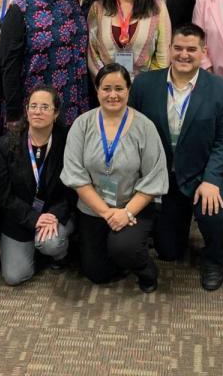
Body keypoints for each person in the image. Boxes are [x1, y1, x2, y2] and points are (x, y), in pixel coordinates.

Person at [129, 24, 223, 290]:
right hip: (164, 177)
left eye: (191, 49)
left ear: (203, 51)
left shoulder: (222, 91)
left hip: (204, 175)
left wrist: (212, 179)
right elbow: (132, 132)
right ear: (170, 49)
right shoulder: (145, 84)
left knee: (214, 214)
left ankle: (213, 258)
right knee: (168, 251)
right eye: (178, 48)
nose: (184, 54)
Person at [61, 63, 169, 291]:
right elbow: (76, 176)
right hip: (94, 209)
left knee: (125, 248)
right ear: (97, 90)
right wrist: (108, 213)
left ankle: (145, 269)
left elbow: (154, 178)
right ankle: (118, 253)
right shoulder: (82, 125)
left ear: (129, 91)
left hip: (133, 207)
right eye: (106, 88)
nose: (113, 95)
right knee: (96, 273)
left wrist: (126, 212)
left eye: (119, 88)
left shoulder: (144, 126)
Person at [0, 0, 89, 127]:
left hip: (73, 99)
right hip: (37, 104)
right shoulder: (20, 8)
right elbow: (9, 66)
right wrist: (13, 112)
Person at [0, 86, 76, 285]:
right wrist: (34, 218)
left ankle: (58, 255)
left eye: (45, 107)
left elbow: (73, 189)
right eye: (33, 106)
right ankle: (33, 250)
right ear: (26, 110)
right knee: (14, 277)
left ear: (56, 113)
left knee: (50, 244)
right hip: (20, 216)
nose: (38, 111)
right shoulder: (7, 144)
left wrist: (53, 216)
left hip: (55, 214)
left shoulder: (69, 142)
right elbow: (3, 194)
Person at [87, 0, 171, 80]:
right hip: (108, 89)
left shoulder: (157, 7)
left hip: (145, 90)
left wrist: (148, 86)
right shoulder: (97, 8)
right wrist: (107, 83)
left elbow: (163, 56)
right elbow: (92, 54)